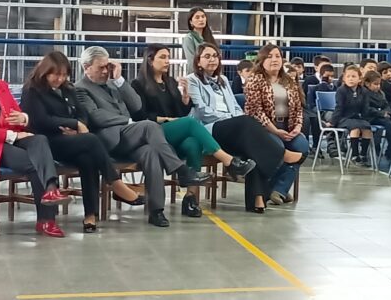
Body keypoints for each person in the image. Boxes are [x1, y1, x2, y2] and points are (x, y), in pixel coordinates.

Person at [75, 46, 211, 228]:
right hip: (110, 139)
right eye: (101, 67)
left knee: (151, 153)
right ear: (86, 67)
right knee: (149, 125)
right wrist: (128, 121)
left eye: (108, 66)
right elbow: (96, 116)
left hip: (129, 137)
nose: (106, 71)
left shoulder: (114, 84)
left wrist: (120, 80)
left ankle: (156, 211)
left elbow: (137, 106)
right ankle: (181, 170)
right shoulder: (80, 88)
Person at [20, 51, 145, 233]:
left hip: (72, 140)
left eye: (64, 75)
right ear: (45, 72)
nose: (60, 79)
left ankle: (90, 216)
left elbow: (82, 113)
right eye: (55, 75)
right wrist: (74, 124)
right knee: (92, 140)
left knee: (88, 158)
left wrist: (79, 125)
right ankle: (116, 183)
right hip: (47, 143)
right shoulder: (32, 91)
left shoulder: (68, 89)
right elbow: (40, 120)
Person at [0, 47, 71, 238]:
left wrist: (23, 118)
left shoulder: (0, 87)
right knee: (36, 163)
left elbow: (16, 113)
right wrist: (13, 136)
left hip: (6, 141)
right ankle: (46, 220)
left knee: (39, 140)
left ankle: (51, 189)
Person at [131, 44, 256, 218]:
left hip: (174, 131)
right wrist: (165, 119)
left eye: (168, 57)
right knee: (190, 123)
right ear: (150, 60)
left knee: (193, 143)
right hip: (153, 132)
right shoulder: (137, 84)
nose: (167, 61)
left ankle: (190, 198)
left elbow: (181, 113)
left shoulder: (170, 82)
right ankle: (229, 161)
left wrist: (185, 98)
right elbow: (139, 116)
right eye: (162, 57)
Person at [188, 43, 305, 213]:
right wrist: (232, 120)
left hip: (234, 128)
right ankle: (281, 155)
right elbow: (202, 111)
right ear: (198, 61)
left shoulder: (223, 80)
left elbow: (235, 106)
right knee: (248, 123)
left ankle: (257, 199)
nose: (212, 59)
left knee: (253, 147)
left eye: (215, 56)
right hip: (208, 129)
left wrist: (236, 119)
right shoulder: (192, 80)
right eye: (207, 56)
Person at [243, 44, 309, 206]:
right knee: (277, 148)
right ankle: (275, 188)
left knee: (302, 146)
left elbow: (298, 107)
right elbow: (255, 111)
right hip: (264, 128)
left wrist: (297, 128)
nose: (274, 60)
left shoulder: (289, 80)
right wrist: (275, 130)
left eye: (278, 56)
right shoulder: (255, 79)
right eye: (270, 56)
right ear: (262, 60)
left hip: (288, 126)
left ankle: (278, 189)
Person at [333, 65, 374, 166]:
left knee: (367, 128)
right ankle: (355, 155)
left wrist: (366, 119)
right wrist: (332, 122)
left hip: (357, 118)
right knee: (355, 128)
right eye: (348, 76)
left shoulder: (364, 91)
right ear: (344, 78)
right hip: (344, 118)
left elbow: (365, 108)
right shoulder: (341, 90)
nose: (350, 79)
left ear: (359, 79)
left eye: (353, 76)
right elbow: (339, 107)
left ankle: (363, 155)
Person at [363, 70, 391, 159]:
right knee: (388, 123)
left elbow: (386, 105)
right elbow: (367, 109)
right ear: (367, 83)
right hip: (370, 117)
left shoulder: (381, 93)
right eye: (375, 84)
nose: (378, 86)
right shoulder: (364, 93)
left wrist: (387, 112)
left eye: (379, 84)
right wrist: (382, 113)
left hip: (380, 115)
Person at [181, 7, 218, 73]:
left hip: (212, 74)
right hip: (197, 74)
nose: (201, 19)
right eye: (197, 17)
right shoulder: (189, 38)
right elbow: (192, 61)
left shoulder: (209, 37)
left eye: (203, 17)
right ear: (191, 22)